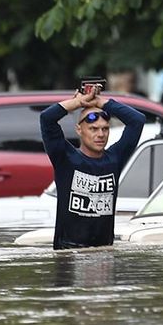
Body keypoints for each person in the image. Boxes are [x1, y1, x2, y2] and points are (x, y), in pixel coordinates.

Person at [40, 83, 145, 250]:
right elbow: (47, 118)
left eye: (105, 129)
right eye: (93, 129)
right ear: (79, 130)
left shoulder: (115, 158)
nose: (100, 134)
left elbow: (137, 121)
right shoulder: (65, 158)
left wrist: (102, 102)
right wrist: (78, 103)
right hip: (69, 251)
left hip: (104, 251)